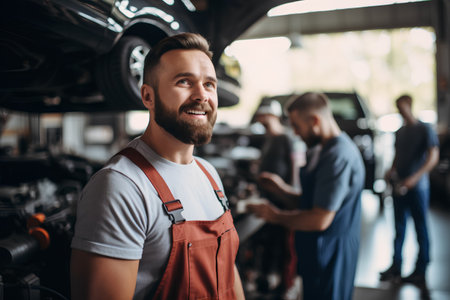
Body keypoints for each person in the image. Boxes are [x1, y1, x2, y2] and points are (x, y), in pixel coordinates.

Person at [70, 33, 245, 300]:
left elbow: (229, 274)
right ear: (148, 97)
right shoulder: (121, 186)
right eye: (184, 81)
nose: (201, 95)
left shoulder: (209, 174)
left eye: (209, 84)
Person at [248, 92, 365, 300]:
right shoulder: (323, 150)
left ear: (314, 121)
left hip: (332, 253)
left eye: (297, 126)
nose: (295, 132)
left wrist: (274, 215)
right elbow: (313, 200)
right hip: (318, 252)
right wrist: (281, 189)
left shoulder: (337, 156)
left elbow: (319, 218)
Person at [380, 94, 439, 285]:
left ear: (409, 105)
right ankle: (396, 266)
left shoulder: (424, 129)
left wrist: (416, 177)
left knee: (420, 226)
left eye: (402, 106)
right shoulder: (400, 132)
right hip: (400, 186)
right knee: (399, 227)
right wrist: (391, 169)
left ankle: (421, 269)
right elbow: (397, 155)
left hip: (418, 187)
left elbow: (433, 156)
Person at [251, 99, 298, 297]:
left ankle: (285, 284)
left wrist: (290, 193)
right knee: (268, 241)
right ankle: (268, 280)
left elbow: (295, 166)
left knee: (282, 244)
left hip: (283, 199)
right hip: (268, 197)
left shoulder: (286, 138)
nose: (262, 121)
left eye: (265, 117)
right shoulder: (268, 138)